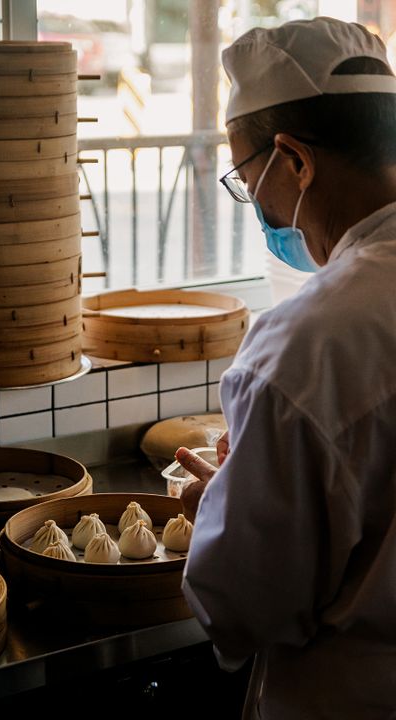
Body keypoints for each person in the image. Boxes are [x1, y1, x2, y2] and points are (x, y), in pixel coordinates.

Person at [176, 16, 396, 720]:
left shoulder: (304, 348)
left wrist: (221, 507)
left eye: (248, 177)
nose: (262, 210)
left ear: (295, 161)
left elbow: (243, 606)